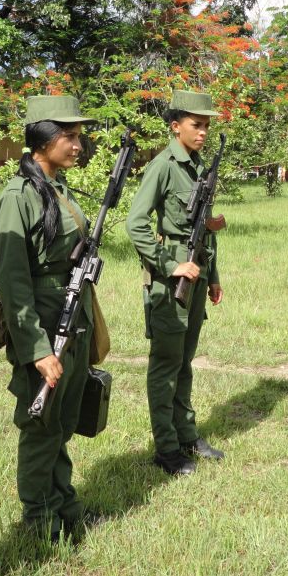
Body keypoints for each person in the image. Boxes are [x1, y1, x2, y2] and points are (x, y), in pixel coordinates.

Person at [0, 95, 99, 541]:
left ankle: (65, 508)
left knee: (61, 424)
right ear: (42, 140)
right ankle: (39, 522)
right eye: (68, 136)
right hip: (44, 327)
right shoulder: (17, 197)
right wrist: (37, 351)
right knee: (40, 428)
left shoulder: (57, 187)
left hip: (73, 319)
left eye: (78, 136)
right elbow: (13, 282)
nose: (78, 145)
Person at [125, 89, 227, 476]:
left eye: (206, 126)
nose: (202, 132)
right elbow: (136, 223)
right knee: (166, 365)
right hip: (171, 283)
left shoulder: (199, 166)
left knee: (185, 362)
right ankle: (166, 447)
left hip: (198, 275)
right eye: (196, 125)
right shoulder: (164, 166)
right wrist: (170, 265)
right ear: (175, 126)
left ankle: (186, 434)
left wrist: (213, 275)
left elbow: (202, 229)